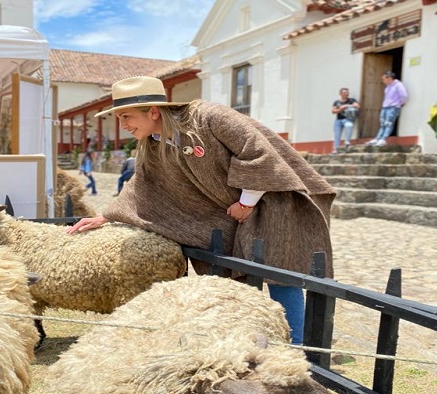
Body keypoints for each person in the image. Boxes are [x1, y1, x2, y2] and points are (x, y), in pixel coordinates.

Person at [66, 76, 336, 344]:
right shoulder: (152, 142)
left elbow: (257, 152)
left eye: (126, 117)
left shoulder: (210, 117)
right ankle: (243, 341)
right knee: (227, 276)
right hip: (229, 212)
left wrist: (246, 202)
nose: (123, 125)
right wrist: (105, 215)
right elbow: (142, 183)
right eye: (120, 119)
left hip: (273, 200)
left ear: (153, 111)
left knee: (280, 274)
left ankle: (299, 349)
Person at [366, 71, 408, 147]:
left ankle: (383, 139)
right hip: (385, 107)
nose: (382, 81)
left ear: (389, 78)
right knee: (382, 124)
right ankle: (377, 138)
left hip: (393, 107)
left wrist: (401, 103)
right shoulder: (387, 87)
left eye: (383, 79)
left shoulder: (398, 85)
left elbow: (404, 95)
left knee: (389, 124)